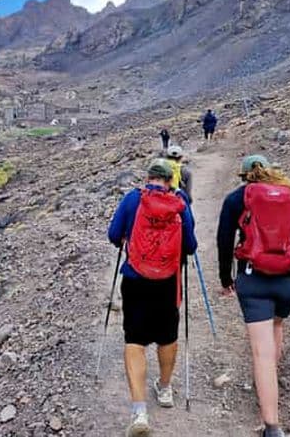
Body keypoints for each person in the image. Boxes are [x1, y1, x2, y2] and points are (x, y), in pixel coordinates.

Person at [216, 155, 290, 437]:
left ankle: (272, 426)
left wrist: (226, 280)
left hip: (254, 280)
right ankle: (269, 382)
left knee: (261, 352)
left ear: (244, 176)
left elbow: (224, 242)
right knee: (277, 324)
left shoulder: (237, 199)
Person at [108, 158, 197, 437]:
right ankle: (166, 388)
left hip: (135, 279)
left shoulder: (133, 199)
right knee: (167, 335)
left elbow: (113, 234)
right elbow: (191, 246)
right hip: (169, 282)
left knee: (134, 339)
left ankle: (139, 411)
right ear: (171, 179)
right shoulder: (180, 202)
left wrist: (128, 241)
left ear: (148, 177)